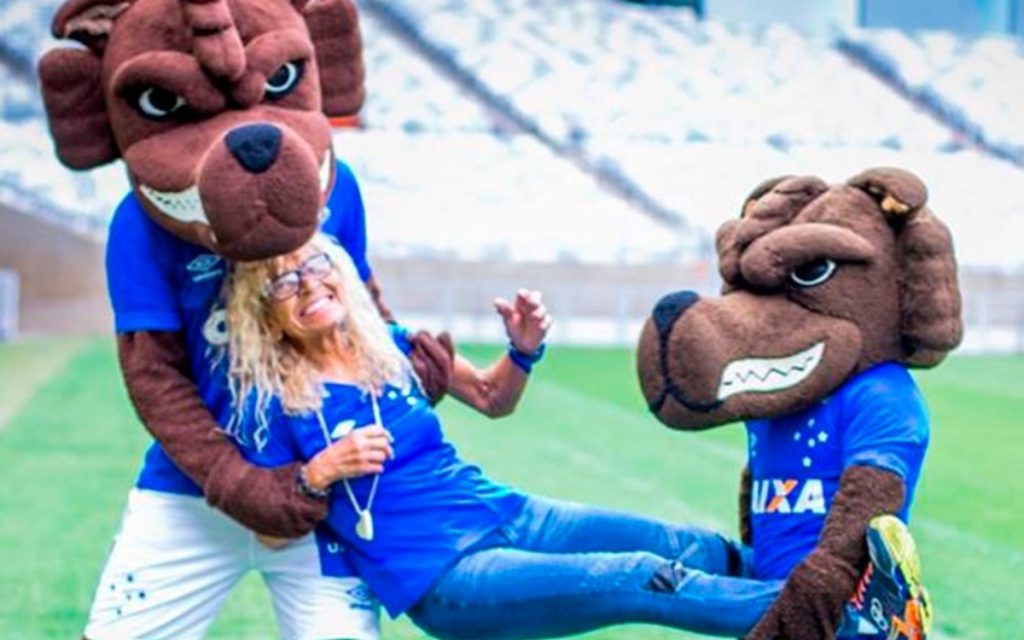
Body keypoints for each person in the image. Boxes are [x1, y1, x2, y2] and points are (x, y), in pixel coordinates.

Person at [221, 233, 929, 639]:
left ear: (340, 273)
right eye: (281, 283)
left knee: (677, 545)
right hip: (447, 577)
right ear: (264, 310)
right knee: (636, 579)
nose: (306, 284)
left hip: (507, 514)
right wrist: (322, 470)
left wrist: (522, 352)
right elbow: (272, 522)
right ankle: (850, 624)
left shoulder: (391, 345)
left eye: (314, 266)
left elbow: (493, 399)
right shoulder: (271, 402)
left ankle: (834, 590)